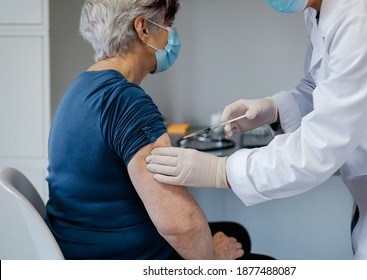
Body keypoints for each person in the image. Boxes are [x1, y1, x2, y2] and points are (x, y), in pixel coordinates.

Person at [146, 0, 367, 259]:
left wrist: (222, 172)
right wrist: (274, 108)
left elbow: (318, 148)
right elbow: (319, 89)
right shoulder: (320, 12)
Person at [45, 0, 246, 260]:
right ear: (143, 30)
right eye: (167, 25)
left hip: (80, 250)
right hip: (130, 260)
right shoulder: (125, 100)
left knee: (234, 233)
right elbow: (181, 225)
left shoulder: (81, 87)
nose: (171, 37)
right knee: (252, 255)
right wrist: (212, 261)